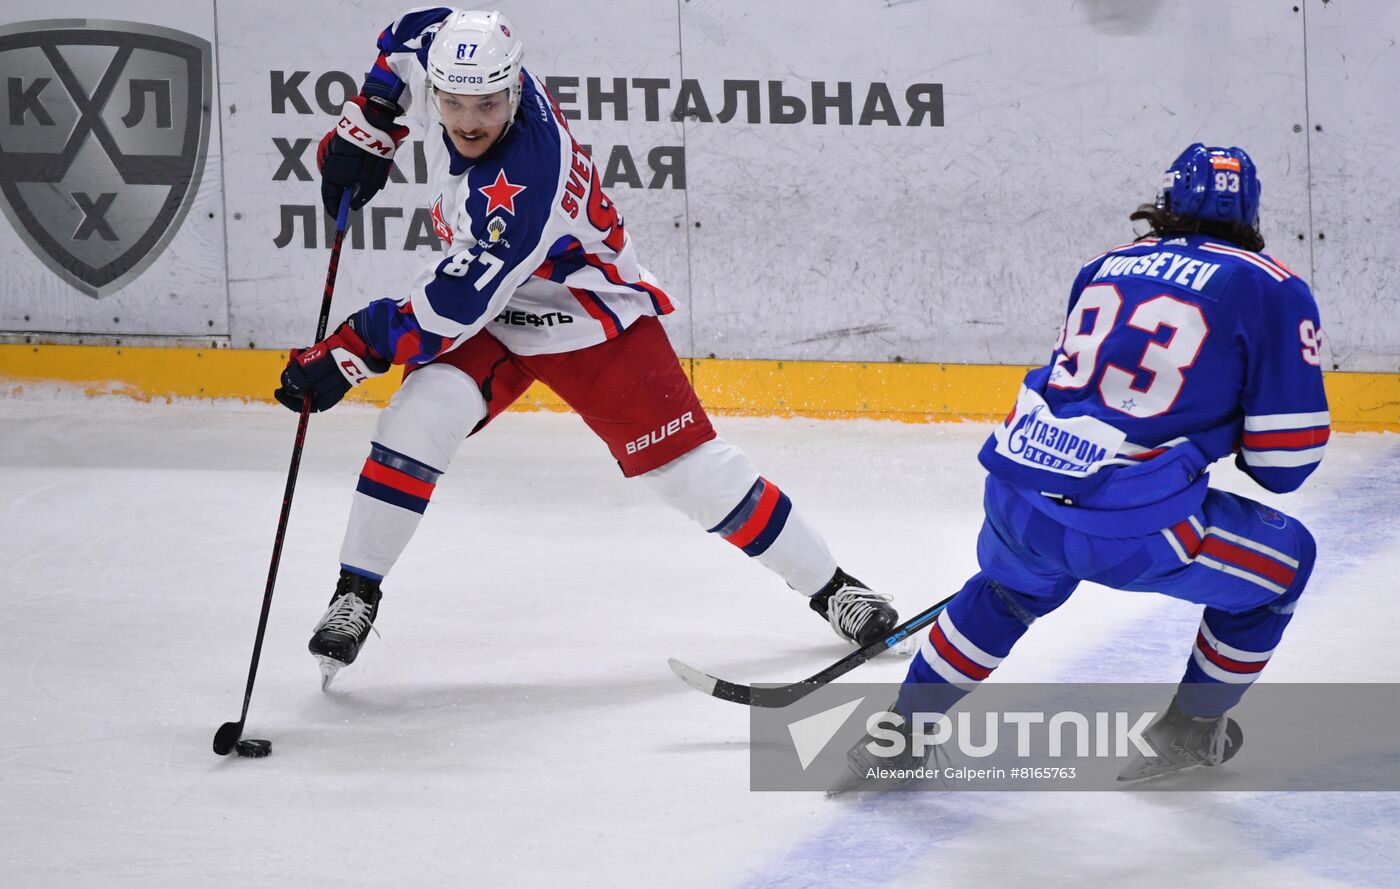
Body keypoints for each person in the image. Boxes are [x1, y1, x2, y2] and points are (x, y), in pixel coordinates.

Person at [273, 9, 899, 687]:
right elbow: (404, 39)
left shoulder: (525, 183)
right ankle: (356, 591)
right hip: (493, 310)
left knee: (695, 474)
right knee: (420, 413)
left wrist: (348, 351)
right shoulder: (448, 55)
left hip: (587, 318)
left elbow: (447, 310)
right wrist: (369, 124)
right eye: (452, 103)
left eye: (487, 103)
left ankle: (834, 587)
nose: (469, 120)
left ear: (514, 90)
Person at [840, 143, 1327, 787]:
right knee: (1286, 567)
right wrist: (1227, 420)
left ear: (1167, 200)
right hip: (1130, 531)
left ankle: (897, 735)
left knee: (1008, 590)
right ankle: (1189, 730)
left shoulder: (1103, 266)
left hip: (1018, 490)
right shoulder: (1274, 286)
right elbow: (1284, 466)